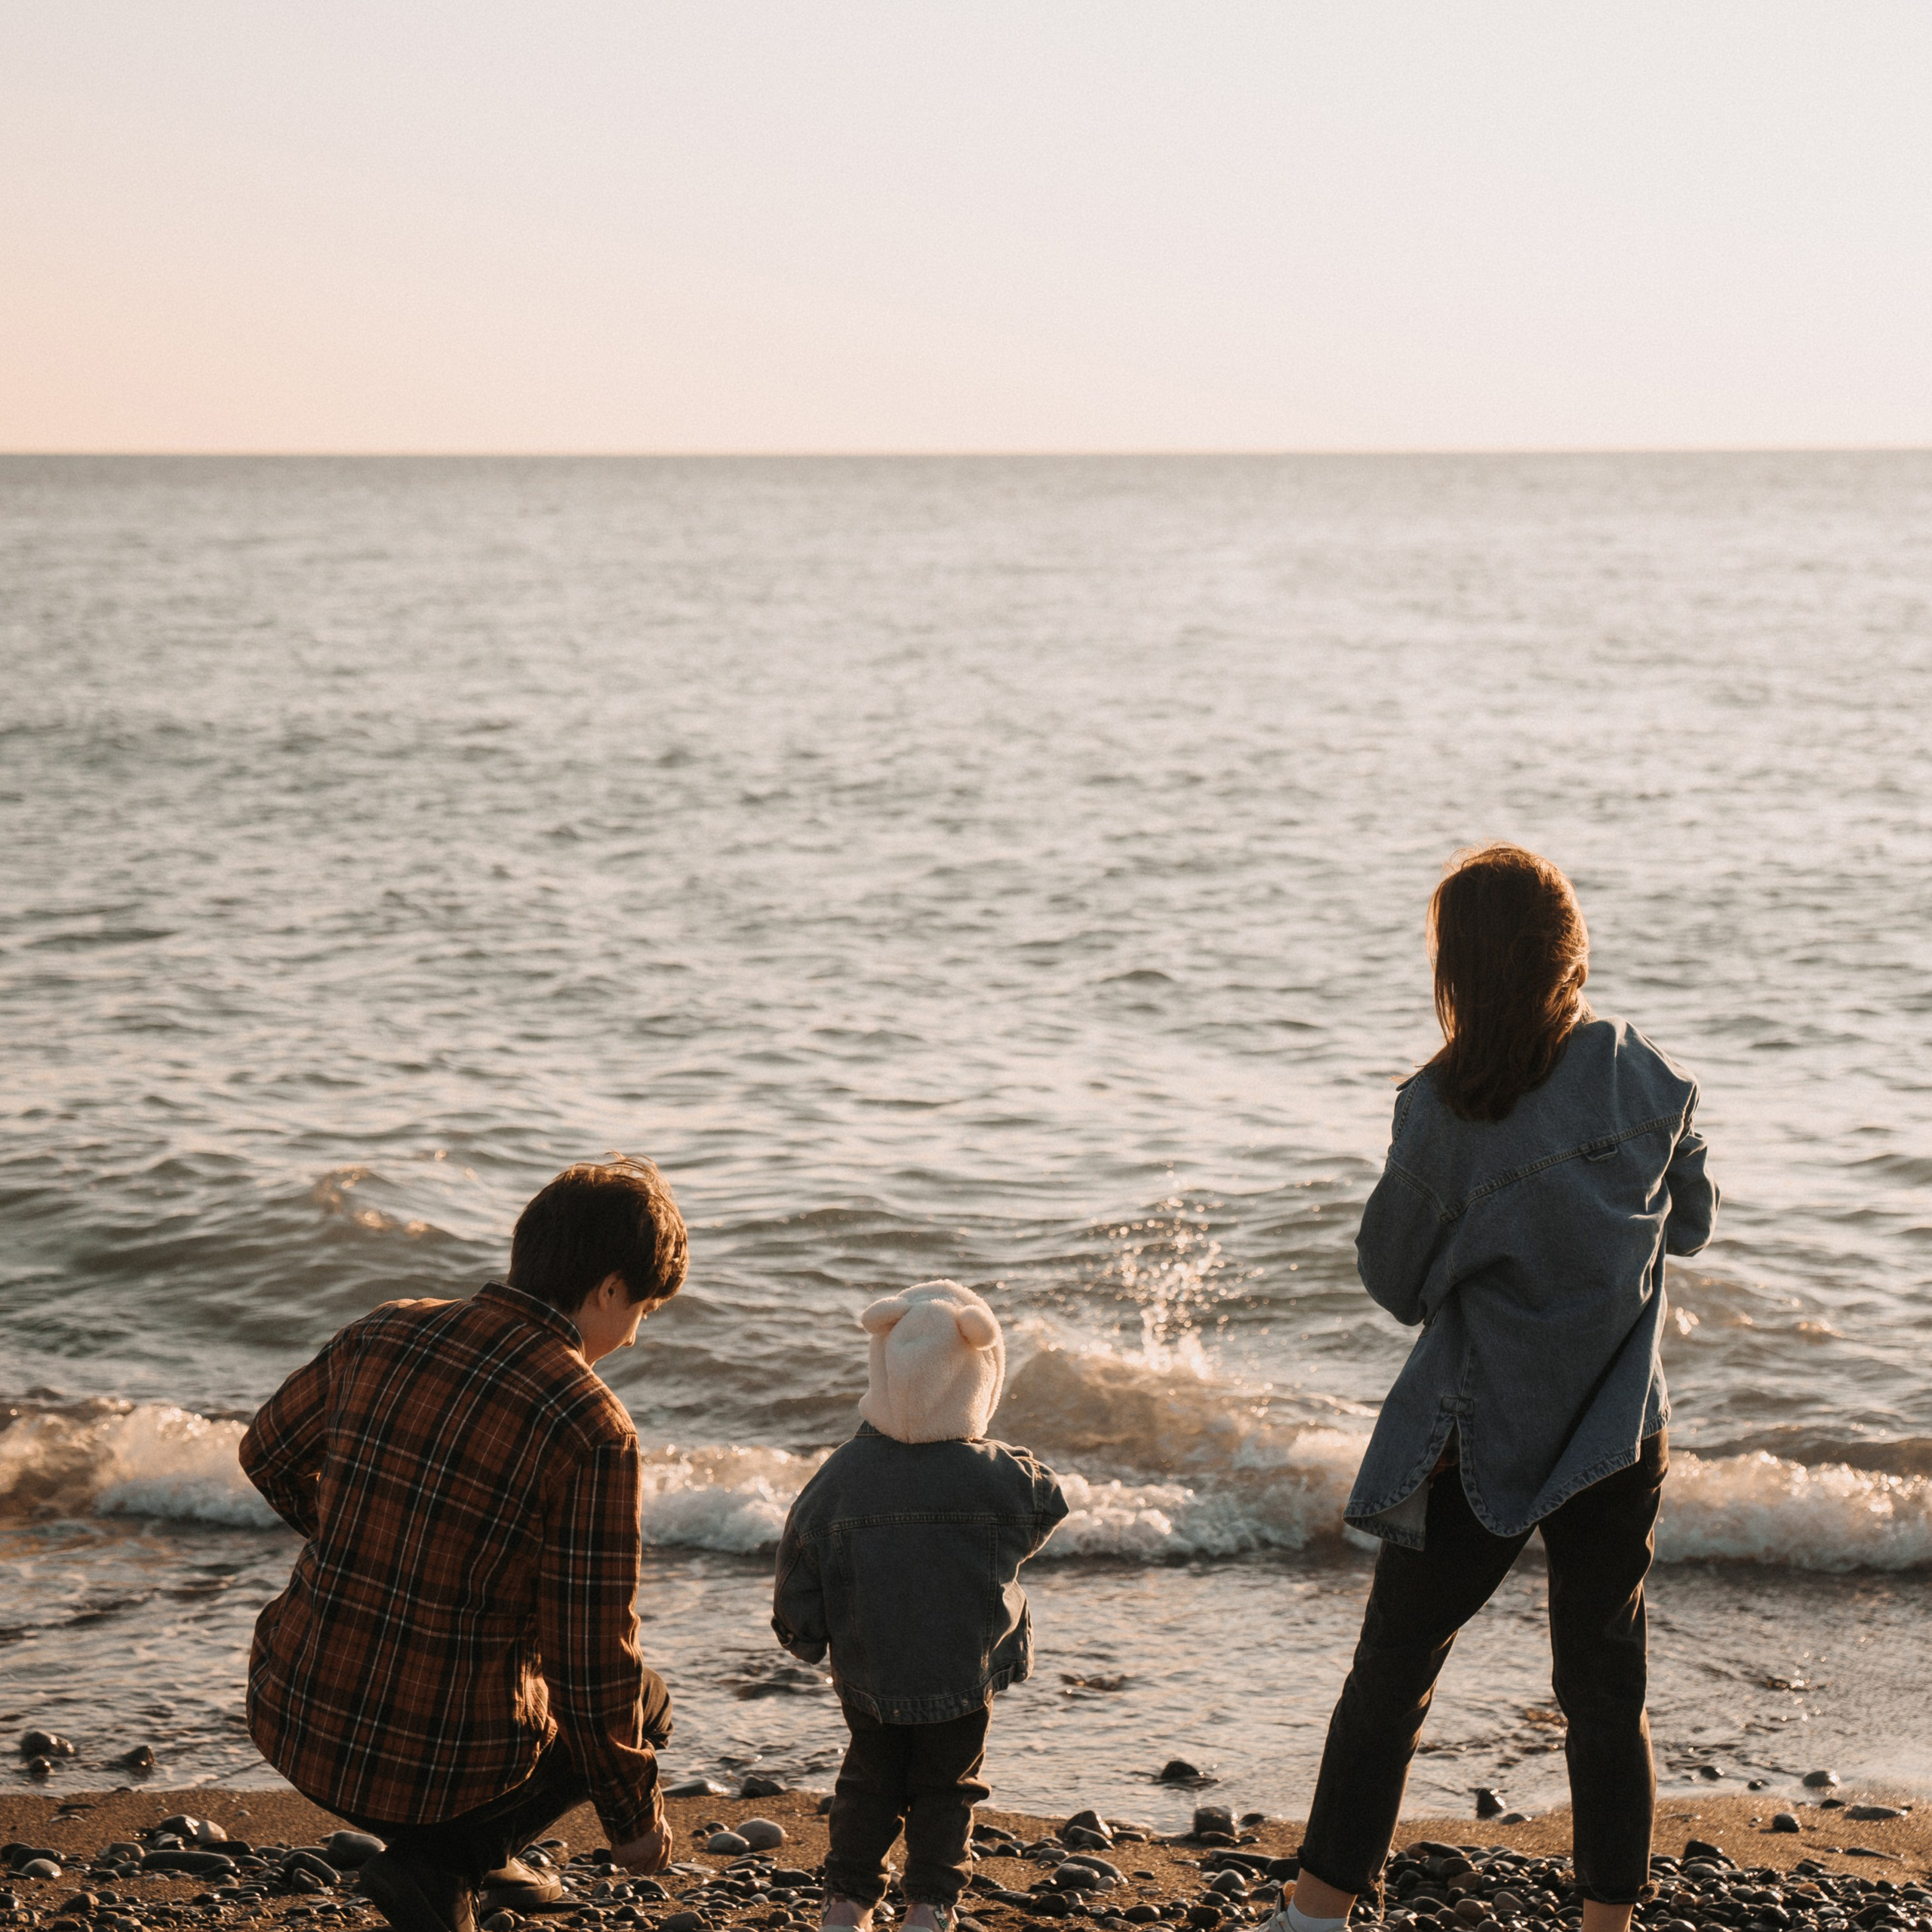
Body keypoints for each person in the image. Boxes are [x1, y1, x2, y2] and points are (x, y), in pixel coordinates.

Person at [1278, 845, 1716, 1932]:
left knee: (1393, 1674)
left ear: (1459, 970)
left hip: (1483, 1434)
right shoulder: (1638, 1068)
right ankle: (1608, 1921)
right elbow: (1693, 1223)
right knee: (1605, 1687)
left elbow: (1393, 1280)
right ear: (1569, 953)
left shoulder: (1444, 1104)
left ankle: (1319, 1911)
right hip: (1620, 1429)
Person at [240, 1157, 689, 1932]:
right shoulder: (591, 1423)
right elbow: (591, 1661)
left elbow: (265, 1453)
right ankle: (445, 1861)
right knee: (644, 1703)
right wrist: (633, 1818)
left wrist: (363, 1544)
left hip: (295, 1713)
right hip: (431, 1762)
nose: (634, 1334)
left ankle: (477, 1852)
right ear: (611, 1287)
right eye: (643, 1308)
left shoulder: (385, 1327)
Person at [772, 1280, 1069, 1932]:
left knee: (868, 1781)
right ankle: (929, 1907)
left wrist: (804, 1635)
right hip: (964, 1671)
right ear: (980, 1377)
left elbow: (800, 1554)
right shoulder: (1000, 1475)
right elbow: (1051, 1503)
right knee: (948, 1786)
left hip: (868, 1671)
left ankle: (848, 1902)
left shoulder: (842, 1471)